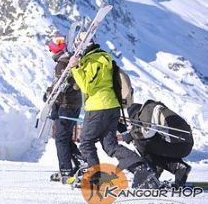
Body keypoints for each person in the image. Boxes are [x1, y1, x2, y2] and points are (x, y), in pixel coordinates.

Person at [69, 34, 161, 189]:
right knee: (109, 145)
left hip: (99, 107)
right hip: (110, 107)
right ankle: (142, 171)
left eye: (77, 46)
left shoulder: (95, 60)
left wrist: (75, 68)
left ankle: (93, 178)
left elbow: (87, 87)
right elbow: (88, 83)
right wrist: (77, 70)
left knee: (86, 142)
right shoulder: (101, 58)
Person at [119, 101, 193, 187]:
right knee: (150, 144)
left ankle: (150, 177)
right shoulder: (156, 109)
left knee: (139, 141)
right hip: (185, 145)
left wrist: (129, 135)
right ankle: (178, 167)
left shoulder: (147, 110)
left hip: (176, 143)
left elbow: (146, 132)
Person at [44, 33, 84, 183]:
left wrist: (48, 94)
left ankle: (66, 171)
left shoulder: (62, 63)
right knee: (65, 138)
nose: (50, 53)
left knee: (60, 139)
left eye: (51, 50)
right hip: (74, 104)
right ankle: (81, 163)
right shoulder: (69, 60)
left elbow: (62, 86)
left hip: (66, 105)